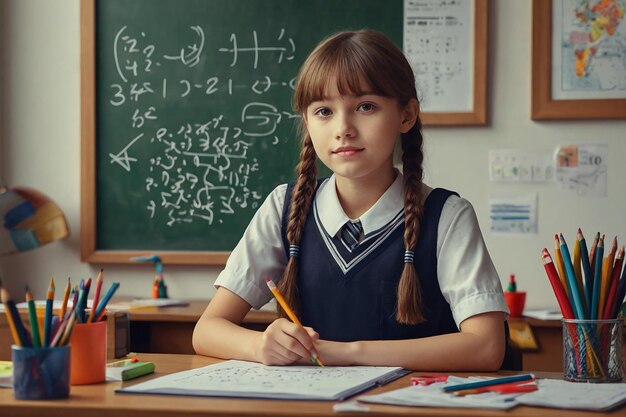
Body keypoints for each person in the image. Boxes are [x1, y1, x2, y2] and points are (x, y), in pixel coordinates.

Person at [193, 29, 508, 371]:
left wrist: (348, 352)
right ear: (307, 122)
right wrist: (259, 345)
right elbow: (207, 331)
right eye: (324, 111)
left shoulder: (446, 216)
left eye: (365, 106)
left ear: (406, 115)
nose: (343, 128)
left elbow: (486, 346)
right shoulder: (282, 208)